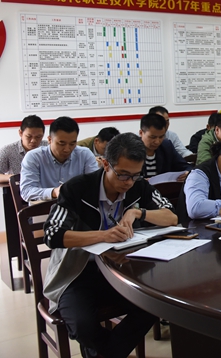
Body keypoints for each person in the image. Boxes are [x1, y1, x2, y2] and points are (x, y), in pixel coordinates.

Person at [43, 132, 177, 358]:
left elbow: (171, 216)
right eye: (123, 175)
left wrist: (138, 212)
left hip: (123, 271)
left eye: (135, 175)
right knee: (83, 326)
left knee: (154, 306)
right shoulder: (77, 189)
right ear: (106, 164)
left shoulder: (138, 186)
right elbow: (52, 234)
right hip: (78, 274)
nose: (128, 182)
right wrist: (102, 235)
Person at [20, 116, 98, 202]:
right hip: (44, 207)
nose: (67, 149)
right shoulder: (34, 157)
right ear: (49, 139)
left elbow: (95, 185)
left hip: (77, 207)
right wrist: (54, 192)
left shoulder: (85, 154)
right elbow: (26, 191)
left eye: (72, 144)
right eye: (62, 144)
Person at [138, 113, 190, 181]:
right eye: (153, 137)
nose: (157, 141)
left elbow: (186, 167)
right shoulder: (131, 149)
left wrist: (188, 173)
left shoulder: (166, 146)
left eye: (161, 137)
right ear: (141, 133)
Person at [0, 114, 48, 183]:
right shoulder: (8, 150)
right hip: (19, 187)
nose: (33, 141)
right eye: (29, 136)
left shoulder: (48, 148)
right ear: (20, 133)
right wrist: (18, 177)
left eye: (38, 137)